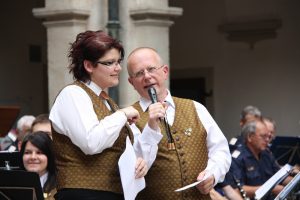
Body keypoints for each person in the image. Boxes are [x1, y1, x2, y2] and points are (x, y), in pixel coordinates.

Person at [49, 31, 165, 199]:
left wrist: (138, 161)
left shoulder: (108, 102)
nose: (118, 68)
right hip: (83, 195)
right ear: (89, 66)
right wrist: (122, 114)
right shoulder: (73, 94)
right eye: (110, 63)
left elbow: (127, 149)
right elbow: (91, 142)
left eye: (118, 62)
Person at [126, 47, 231, 200]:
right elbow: (134, 168)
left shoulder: (196, 107)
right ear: (131, 82)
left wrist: (212, 174)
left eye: (151, 69)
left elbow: (220, 149)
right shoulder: (129, 117)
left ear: (165, 71)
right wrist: (151, 126)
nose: (147, 76)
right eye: (139, 73)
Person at [230, 120, 292, 200]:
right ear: (249, 137)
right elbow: (237, 189)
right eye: (263, 136)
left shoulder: (266, 154)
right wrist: (270, 189)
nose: (267, 140)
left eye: (269, 137)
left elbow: (281, 177)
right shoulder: (238, 158)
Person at [20, 131, 57, 200]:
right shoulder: (14, 183)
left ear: (49, 156)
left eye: (39, 153)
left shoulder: (60, 186)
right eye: (27, 152)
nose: (33, 157)